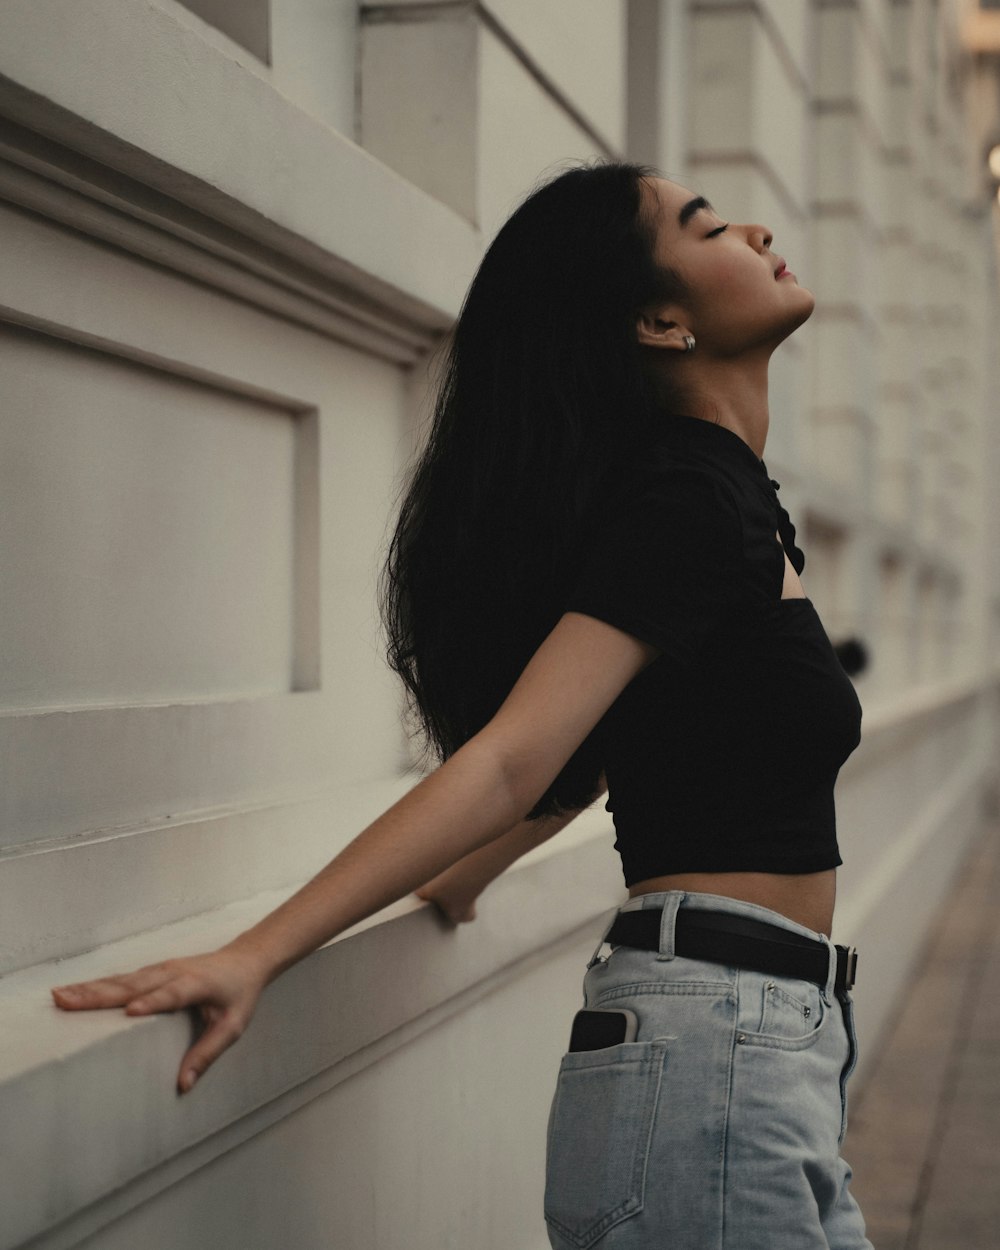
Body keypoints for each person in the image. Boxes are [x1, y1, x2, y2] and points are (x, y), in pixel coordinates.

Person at [51, 162, 870, 1248]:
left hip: (767, 1038)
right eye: (709, 223)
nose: (759, 227)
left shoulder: (723, 497)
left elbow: (625, 748)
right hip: (715, 1043)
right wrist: (257, 951)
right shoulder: (688, 503)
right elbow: (508, 760)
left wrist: (465, 875)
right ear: (659, 318)